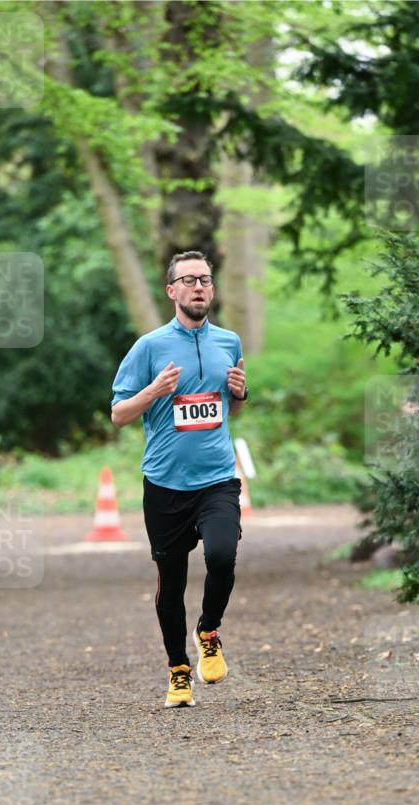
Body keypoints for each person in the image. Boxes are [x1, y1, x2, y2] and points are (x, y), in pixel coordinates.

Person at [110, 251, 249, 708]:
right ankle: (179, 669)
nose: (198, 287)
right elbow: (118, 414)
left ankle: (209, 630)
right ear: (171, 290)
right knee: (171, 583)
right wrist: (154, 391)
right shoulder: (148, 347)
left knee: (224, 556)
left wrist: (240, 393)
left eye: (205, 280)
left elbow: (231, 405)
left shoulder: (229, 341)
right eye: (188, 280)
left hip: (217, 478)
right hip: (166, 484)